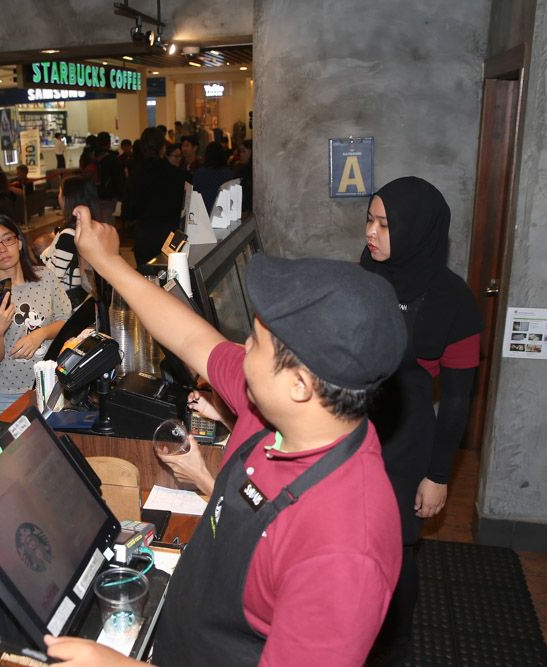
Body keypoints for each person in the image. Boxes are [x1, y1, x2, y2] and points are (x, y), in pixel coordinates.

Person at [45, 208, 407, 666]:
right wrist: (109, 262)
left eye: (253, 343)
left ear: (300, 385)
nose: (239, 350)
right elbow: (193, 339)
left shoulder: (345, 551)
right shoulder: (283, 414)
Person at [360, 176, 482, 662]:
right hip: (353, 427)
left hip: (408, 442)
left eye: (384, 225)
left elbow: (456, 401)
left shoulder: (456, 302)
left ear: (416, 230)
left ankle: (396, 643)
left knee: (396, 550)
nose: (371, 232)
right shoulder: (364, 274)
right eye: (369, 219)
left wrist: (437, 476)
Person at [0, 214, 70, 415]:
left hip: (53, 383)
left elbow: (66, 321)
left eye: (7, 239)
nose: (2, 248)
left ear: (19, 242)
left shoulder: (45, 277)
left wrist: (40, 334)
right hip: (8, 395)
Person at [123, 127, 186, 266]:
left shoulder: (135, 175)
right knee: (170, 277)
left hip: (144, 235)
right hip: (170, 234)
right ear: (163, 148)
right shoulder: (177, 175)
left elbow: (128, 211)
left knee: (146, 278)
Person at [43, 174, 101, 306]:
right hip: (86, 300)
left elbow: (53, 278)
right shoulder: (95, 229)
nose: (58, 196)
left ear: (67, 199)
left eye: (60, 192)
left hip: (68, 305)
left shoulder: (68, 236)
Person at [192, 141, 235, 214]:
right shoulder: (228, 174)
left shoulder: (199, 174)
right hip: (222, 214)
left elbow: (195, 196)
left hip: (203, 214)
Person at [235, 139, 253, 212]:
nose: (240, 154)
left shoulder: (248, 171)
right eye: (240, 152)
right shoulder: (241, 169)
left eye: (243, 151)